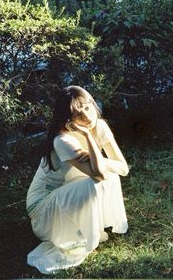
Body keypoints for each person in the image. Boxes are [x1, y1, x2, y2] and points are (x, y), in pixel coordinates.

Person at [26, 85, 129, 274]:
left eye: (88, 107)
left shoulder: (100, 125)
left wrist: (97, 158)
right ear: (67, 120)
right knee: (95, 181)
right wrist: (88, 136)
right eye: (77, 114)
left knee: (109, 175)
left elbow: (123, 168)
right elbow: (98, 175)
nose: (87, 117)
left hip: (65, 192)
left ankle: (91, 226)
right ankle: (80, 233)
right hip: (43, 212)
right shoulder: (62, 140)